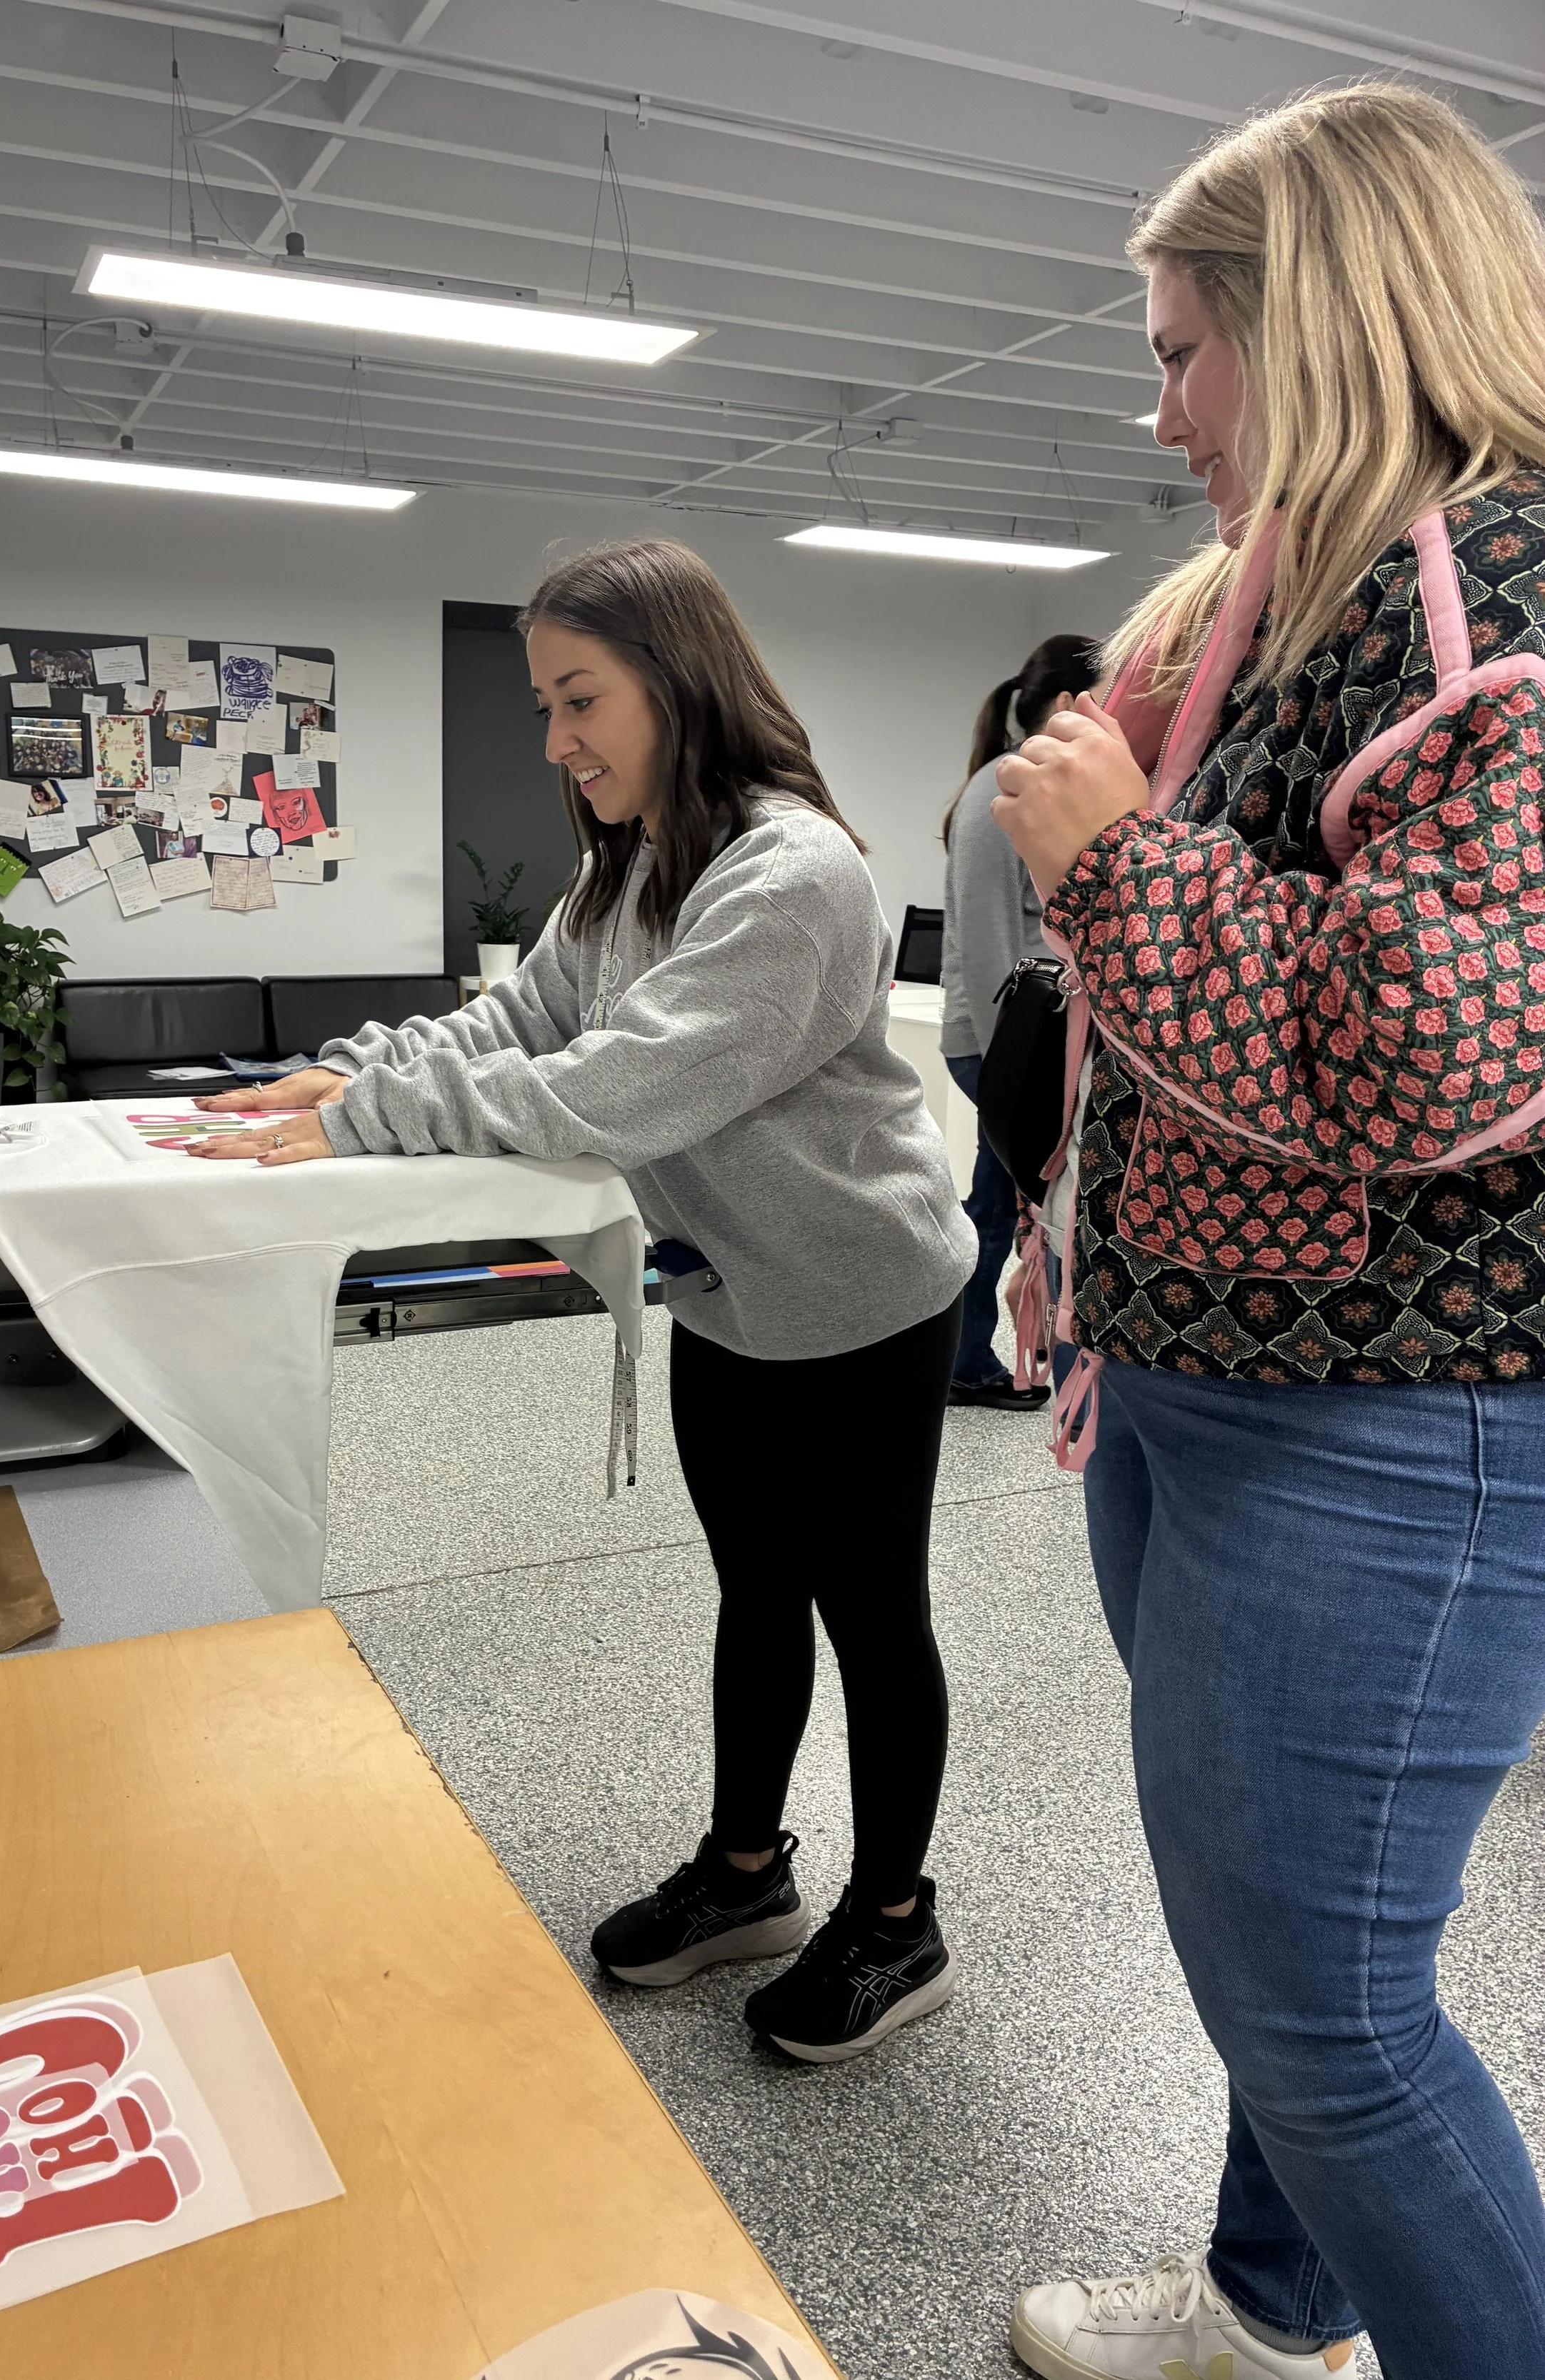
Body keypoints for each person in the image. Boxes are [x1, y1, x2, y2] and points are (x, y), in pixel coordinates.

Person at [991, 85, 1545, 2380]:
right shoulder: (1273, 597)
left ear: (1313, 321)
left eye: (1181, 350)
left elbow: (1429, 1059)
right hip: (1212, 1383)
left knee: (1322, 2011)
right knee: (1258, 1953)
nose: (1159, 411)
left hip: (1387, 1424)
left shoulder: (1492, 591)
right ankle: (1261, 2303)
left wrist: (1116, 856)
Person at [187, 538, 979, 2064]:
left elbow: (617, 1086)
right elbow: (517, 1017)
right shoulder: (623, 866)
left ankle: (894, 1921)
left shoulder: (793, 872)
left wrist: (356, 1120)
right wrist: (354, 1073)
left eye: (577, 697)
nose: (554, 740)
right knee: (756, 1587)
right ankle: (746, 1875)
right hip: (731, 1292)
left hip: (860, 1297)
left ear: (675, 683)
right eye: (544, 702)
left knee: (869, 1610)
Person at [940, 634, 1099, 1409]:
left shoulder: (1028, 785)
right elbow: (987, 945)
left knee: (1003, 1204)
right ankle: (966, 1359)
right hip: (1002, 1049)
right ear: (1070, 706)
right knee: (1001, 1208)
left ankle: (972, 1355)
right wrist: (1023, 1070)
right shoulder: (994, 795)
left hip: (1028, 1045)